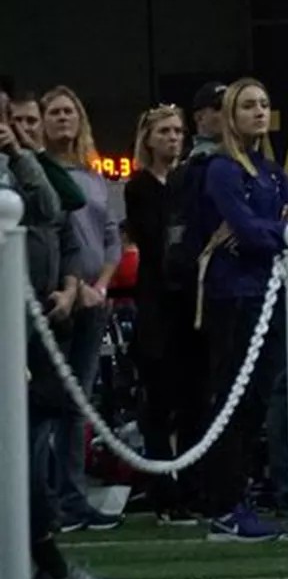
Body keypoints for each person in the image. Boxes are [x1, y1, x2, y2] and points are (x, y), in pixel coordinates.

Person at [191, 80, 288, 543]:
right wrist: (282, 231)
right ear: (231, 115)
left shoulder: (270, 171)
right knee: (232, 398)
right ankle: (224, 504)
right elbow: (253, 230)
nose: (258, 112)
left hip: (269, 293)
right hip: (233, 295)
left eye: (264, 104)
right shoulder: (221, 169)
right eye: (249, 105)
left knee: (256, 399)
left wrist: (280, 229)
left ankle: (240, 495)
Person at [32, 87, 121, 532]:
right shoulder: (38, 172)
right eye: (55, 112)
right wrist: (70, 288)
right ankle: (47, 497)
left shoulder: (93, 174)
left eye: (70, 111)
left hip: (93, 302)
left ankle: (72, 494)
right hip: (55, 302)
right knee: (48, 402)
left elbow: (110, 237)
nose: (63, 119)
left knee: (78, 402)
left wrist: (101, 285)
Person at [124, 103, 204, 525]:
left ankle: (191, 487)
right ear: (149, 139)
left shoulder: (186, 181)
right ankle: (163, 490)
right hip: (157, 301)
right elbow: (156, 243)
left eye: (177, 131)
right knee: (158, 403)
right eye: (165, 132)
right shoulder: (139, 186)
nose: (173, 138)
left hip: (188, 301)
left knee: (193, 400)